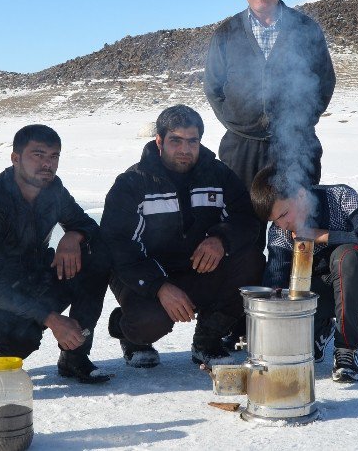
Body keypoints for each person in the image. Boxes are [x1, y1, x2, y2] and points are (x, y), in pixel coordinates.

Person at [101, 105, 264, 368]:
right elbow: (117, 246)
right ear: (159, 141)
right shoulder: (133, 182)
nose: (185, 149)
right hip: (145, 274)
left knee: (251, 259)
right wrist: (160, 286)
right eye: (175, 141)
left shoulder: (219, 175)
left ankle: (207, 339)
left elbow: (246, 219)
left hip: (197, 269)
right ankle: (131, 334)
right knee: (148, 324)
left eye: (192, 141)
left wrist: (221, 239)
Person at [0, 124, 111, 384]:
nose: (47, 165)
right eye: (38, 155)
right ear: (15, 158)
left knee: (97, 258)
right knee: (17, 345)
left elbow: (88, 226)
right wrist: (53, 319)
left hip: (37, 279)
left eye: (54, 157)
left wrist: (72, 236)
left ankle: (75, 357)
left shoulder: (53, 190)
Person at [204, 0, 336, 190]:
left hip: (295, 144)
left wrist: (303, 120)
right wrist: (238, 123)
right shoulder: (226, 32)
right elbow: (213, 87)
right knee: (241, 221)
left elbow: (325, 80)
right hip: (241, 148)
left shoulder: (306, 28)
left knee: (296, 221)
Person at [250, 165, 358, 383]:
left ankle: (347, 348)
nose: (282, 224)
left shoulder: (341, 197)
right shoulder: (280, 231)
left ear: (300, 194)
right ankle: (320, 328)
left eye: (284, 214)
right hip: (316, 299)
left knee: (347, 256)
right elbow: (276, 283)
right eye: (275, 220)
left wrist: (324, 236)